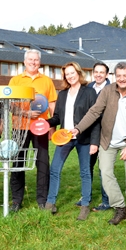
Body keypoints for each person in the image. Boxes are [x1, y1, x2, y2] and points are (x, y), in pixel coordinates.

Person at [71, 62, 126, 233]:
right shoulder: (107, 91)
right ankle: (119, 207)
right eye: (118, 75)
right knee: (105, 174)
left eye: (125, 75)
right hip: (108, 141)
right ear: (115, 76)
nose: (122, 78)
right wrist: (78, 128)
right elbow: (94, 112)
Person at [44, 62, 100, 221]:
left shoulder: (89, 92)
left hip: (84, 138)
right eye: (67, 74)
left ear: (78, 73)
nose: (70, 76)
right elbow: (57, 117)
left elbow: (96, 119)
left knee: (85, 172)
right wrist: (46, 123)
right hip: (64, 138)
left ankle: (85, 205)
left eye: (72, 72)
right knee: (55, 169)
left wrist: (94, 142)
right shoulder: (62, 94)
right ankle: (50, 203)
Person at [8, 49, 58, 211]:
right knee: (18, 163)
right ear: (24, 61)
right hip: (19, 127)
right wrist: (25, 113)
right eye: (30, 59)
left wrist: (52, 126)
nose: (33, 62)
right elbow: (10, 105)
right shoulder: (15, 81)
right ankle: (16, 200)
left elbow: (52, 105)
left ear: (40, 62)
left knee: (42, 163)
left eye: (36, 60)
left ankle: (42, 200)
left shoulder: (47, 81)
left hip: (41, 127)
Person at [76, 61, 111, 212]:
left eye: (101, 72)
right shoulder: (87, 89)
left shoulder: (112, 90)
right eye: (96, 72)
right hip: (88, 134)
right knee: (87, 167)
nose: (98, 74)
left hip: (105, 134)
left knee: (104, 169)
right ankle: (86, 196)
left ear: (107, 75)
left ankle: (106, 200)